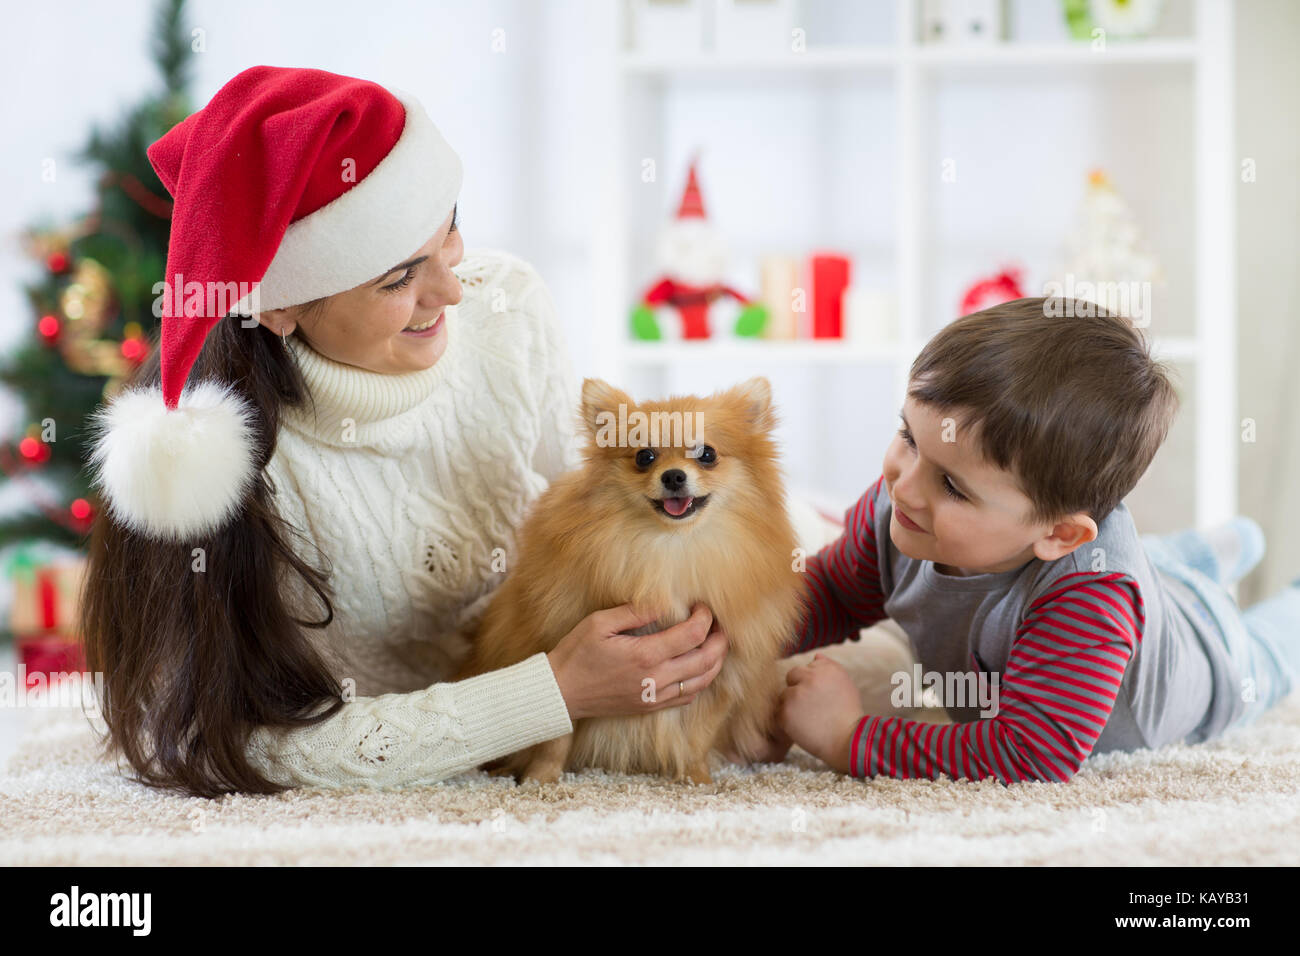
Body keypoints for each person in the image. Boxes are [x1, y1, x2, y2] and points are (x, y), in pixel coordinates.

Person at [79, 65, 727, 797]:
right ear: (282, 306)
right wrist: (550, 694)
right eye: (398, 278)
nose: (453, 289)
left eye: (450, 230)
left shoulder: (506, 304)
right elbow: (227, 743)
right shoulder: (223, 468)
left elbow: (585, 524)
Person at [771, 297, 1300, 783]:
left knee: (1271, 645)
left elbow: (1028, 752)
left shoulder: (1091, 598)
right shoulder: (907, 505)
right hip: (1135, 580)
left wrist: (847, 737)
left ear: (1059, 533)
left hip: (1211, 651)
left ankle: (1240, 574)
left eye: (952, 486)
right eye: (909, 436)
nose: (903, 487)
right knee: (1156, 565)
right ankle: (1222, 546)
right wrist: (734, 629)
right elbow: (834, 593)